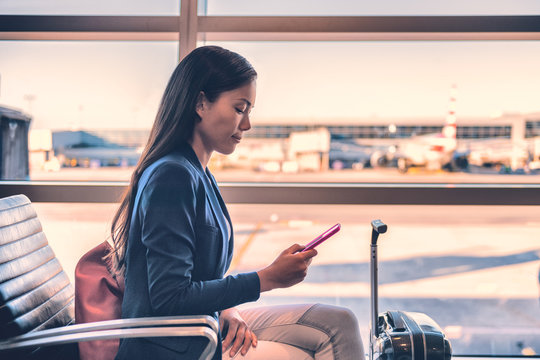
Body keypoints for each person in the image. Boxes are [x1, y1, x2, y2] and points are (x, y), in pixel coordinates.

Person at [108, 45, 364, 360]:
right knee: (310, 350)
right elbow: (169, 297)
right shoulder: (172, 176)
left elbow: (197, 278)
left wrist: (227, 308)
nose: (246, 125)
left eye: (249, 111)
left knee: (338, 323)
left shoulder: (198, 172)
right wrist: (266, 278)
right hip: (173, 347)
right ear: (201, 103)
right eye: (240, 109)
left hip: (203, 324)